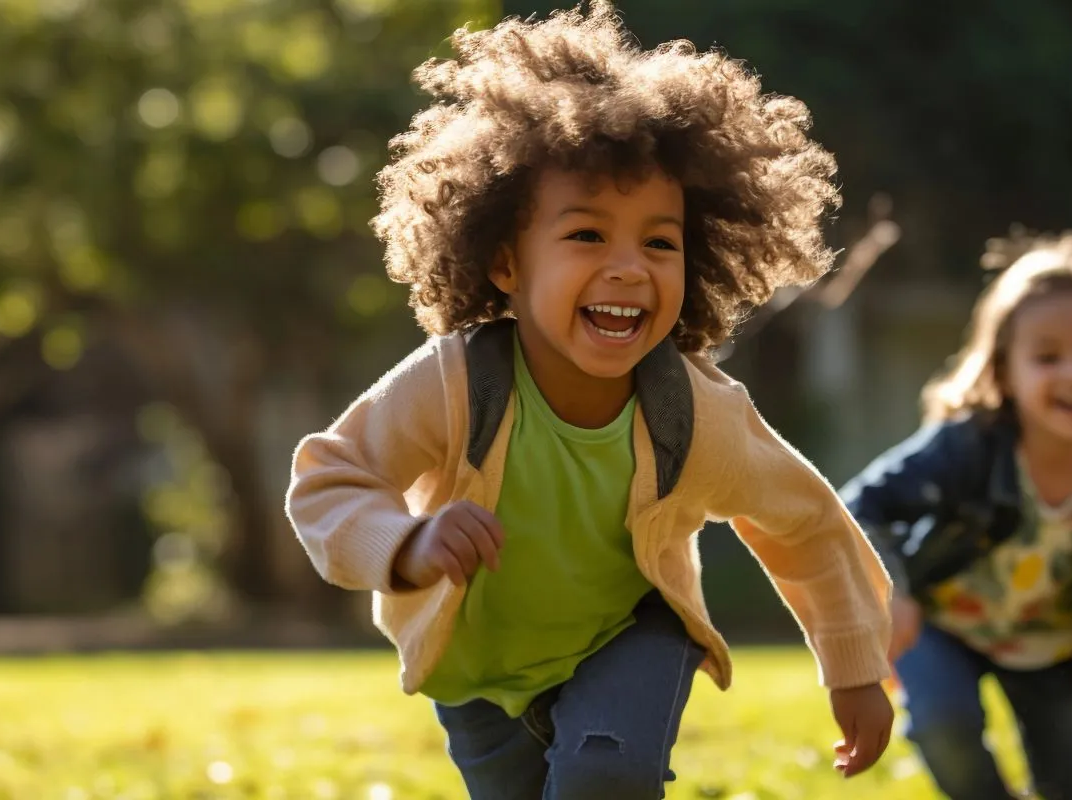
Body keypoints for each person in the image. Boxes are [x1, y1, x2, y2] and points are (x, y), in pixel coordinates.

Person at [286, 3, 894, 797]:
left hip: (630, 631)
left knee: (605, 774)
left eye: (660, 242)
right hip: (480, 671)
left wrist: (851, 665)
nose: (629, 268)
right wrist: (404, 542)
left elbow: (804, 520)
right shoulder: (456, 384)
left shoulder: (695, 413)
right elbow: (328, 479)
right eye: (586, 236)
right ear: (505, 262)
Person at [840, 231, 1072, 800]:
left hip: (1057, 647)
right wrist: (890, 590)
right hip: (943, 626)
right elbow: (858, 505)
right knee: (946, 731)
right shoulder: (967, 446)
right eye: (1047, 357)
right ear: (1003, 370)